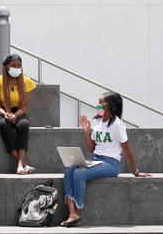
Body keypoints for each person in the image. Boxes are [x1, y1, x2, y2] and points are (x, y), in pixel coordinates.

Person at [60, 92, 151, 227]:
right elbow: (91, 149)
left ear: (110, 105)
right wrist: (87, 131)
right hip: (96, 159)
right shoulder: (97, 121)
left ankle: (77, 214)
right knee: (69, 172)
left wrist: (136, 171)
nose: (98, 104)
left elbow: (127, 150)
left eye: (101, 102)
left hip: (111, 163)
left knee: (79, 173)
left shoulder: (117, 125)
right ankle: (72, 213)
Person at [0, 54, 37, 175]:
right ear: (6, 67)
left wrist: (15, 115)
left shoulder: (27, 82)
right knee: (3, 125)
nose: (17, 68)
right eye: (13, 66)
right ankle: (23, 164)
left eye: (19, 66)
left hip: (19, 112)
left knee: (23, 125)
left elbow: (24, 108)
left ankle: (20, 164)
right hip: (2, 112)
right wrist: (6, 115)